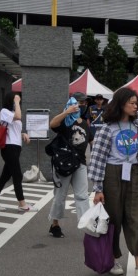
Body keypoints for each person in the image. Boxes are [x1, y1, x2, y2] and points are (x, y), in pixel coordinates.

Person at [88, 88, 138, 276]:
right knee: (114, 219)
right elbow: (97, 159)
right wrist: (97, 188)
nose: (136, 106)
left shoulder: (137, 124)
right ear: (121, 104)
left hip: (135, 172)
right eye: (132, 103)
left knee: (137, 217)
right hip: (112, 174)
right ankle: (113, 258)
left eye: (137, 103)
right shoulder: (107, 128)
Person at [47, 92, 93, 238]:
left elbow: (92, 142)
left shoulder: (85, 123)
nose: (82, 105)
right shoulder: (66, 120)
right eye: (80, 102)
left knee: (82, 196)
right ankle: (55, 224)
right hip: (64, 163)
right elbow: (52, 124)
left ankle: (87, 227)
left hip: (80, 163)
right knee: (60, 196)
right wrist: (66, 112)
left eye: (85, 103)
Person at [0, 93, 31, 211]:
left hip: (15, 147)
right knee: (17, 175)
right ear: (10, 101)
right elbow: (18, 116)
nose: (18, 102)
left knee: (5, 175)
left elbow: (13, 129)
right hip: (8, 147)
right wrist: (17, 101)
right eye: (15, 100)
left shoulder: (12, 113)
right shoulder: (4, 111)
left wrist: (23, 134)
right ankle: (22, 204)